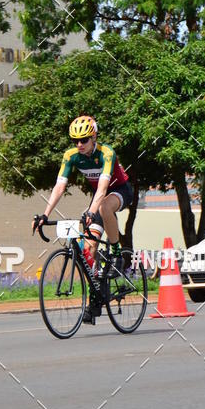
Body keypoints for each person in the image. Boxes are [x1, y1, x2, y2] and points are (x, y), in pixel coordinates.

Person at [32, 116, 134, 323]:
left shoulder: (107, 153)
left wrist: (91, 211)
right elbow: (59, 187)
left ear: (94, 136)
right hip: (99, 196)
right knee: (88, 250)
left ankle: (116, 254)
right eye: (75, 141)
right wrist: (45, 215)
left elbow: (104, 188)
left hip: (119, 191)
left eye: (84, 140)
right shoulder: (71, 156)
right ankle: (96, 299)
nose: (79, 145)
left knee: (104, 207)